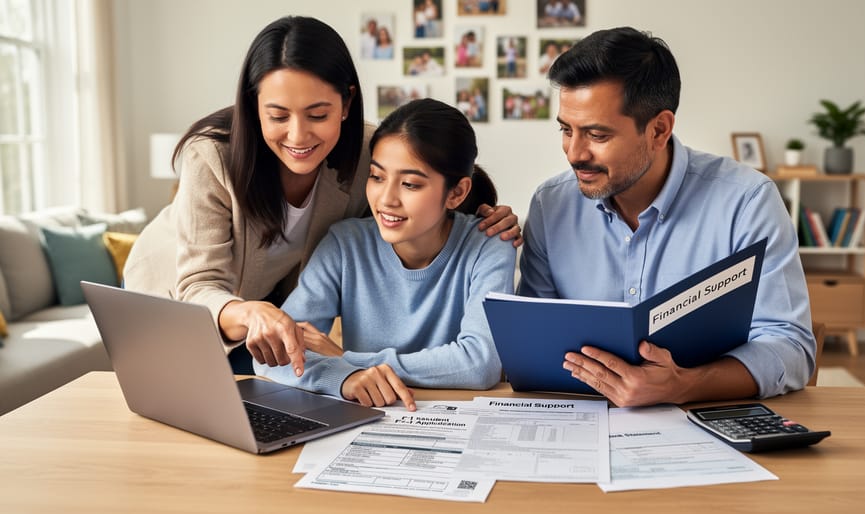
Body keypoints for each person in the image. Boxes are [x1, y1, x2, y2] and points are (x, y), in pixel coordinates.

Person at [124, 16, 521, 377]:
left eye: (317, 115)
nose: (298, 136)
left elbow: (428, 171)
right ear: (253, 105)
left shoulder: (367, 151)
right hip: (178, 299)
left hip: (270, 311)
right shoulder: (212, 157)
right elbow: (200, 284)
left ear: (346, 103)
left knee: (269, 396)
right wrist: (250, 313)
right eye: (278, 116)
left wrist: (486, 214)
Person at [518, 27, 815, 407]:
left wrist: (683, 385)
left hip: (705, 422)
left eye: (597, 135)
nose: (574, 153)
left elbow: (791, 347)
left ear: (659, 129)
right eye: (566, 130)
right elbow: (533, 343)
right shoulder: (550, 205)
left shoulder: (746, 201)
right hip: (577, 426)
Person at [255, 98, 516, 411]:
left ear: (457, 192)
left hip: (455, 417)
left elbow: (479, 364)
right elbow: (272, 355)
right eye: (377, 177)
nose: (386, 199)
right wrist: (343, 378)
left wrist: (346, 359)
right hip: (369, 415)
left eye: (409, 184)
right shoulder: (345, 244)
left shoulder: (490, 243)